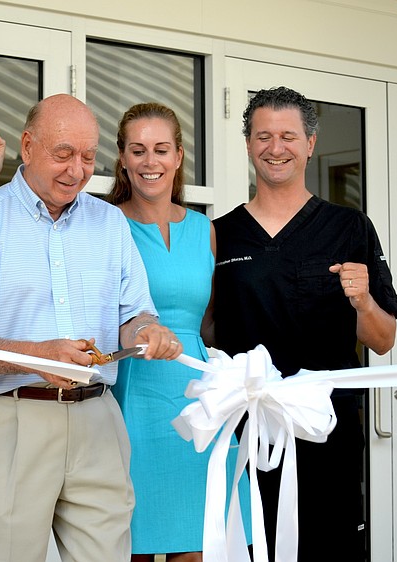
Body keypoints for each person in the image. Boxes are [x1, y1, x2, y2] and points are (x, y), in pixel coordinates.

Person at [0, 93, 183, 562]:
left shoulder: (110, 223)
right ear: (27, 147)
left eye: (88, 157)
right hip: (9, 416)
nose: (77, 170)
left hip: (98, 418)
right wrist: (39, 355)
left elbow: (135, 315)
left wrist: (147, 332)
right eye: (63, 154)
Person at [213, 86, 397, 562]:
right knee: (251, 548)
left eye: (288, 136)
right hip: (247, 430)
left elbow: (383, 340)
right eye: (263, 136)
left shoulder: (349, 227)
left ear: (310, 144)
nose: (275, 148)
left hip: (327, 432)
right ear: (248, 144)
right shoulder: (220, 233)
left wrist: (362, 301)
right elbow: (207, 331)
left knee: (328, 548)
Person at [107, 102, 251, 562]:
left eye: (161, 150)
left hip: (198, 398)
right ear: (123, 158)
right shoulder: (105, 225)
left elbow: (206, 321)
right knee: (136, 546)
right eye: (139, 150)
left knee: (199, 545)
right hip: (134, 395)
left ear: (179, 155)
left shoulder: (203, 228)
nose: (151, 162)